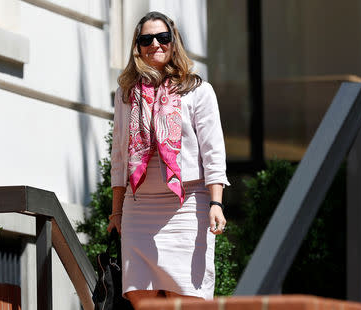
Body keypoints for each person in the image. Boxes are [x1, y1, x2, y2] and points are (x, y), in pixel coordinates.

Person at [107, 11, 230, 308]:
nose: (155, 45)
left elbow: (213, 151)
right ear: (137, 46)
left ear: (174, 43)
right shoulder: (127, 94)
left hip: (187, 206)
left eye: (163, 38)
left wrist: (216, 203)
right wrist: (116, 212)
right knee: (140, 295)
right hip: (139, 208)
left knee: (185, 296)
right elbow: (120, 157)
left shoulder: (198, 91)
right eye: (146, 39)